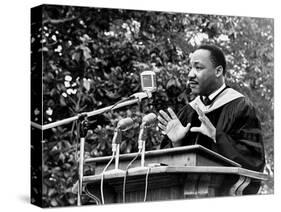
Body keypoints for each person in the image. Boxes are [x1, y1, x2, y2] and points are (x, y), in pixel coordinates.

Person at [157, 44, 265, 193]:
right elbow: (162, 168)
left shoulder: (241, 107)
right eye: (191, 68)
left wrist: (217, 136)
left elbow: (254, 161)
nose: (190, 74)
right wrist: (176, 143)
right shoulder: (189, 110)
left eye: (198, 68)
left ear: (218, 71)